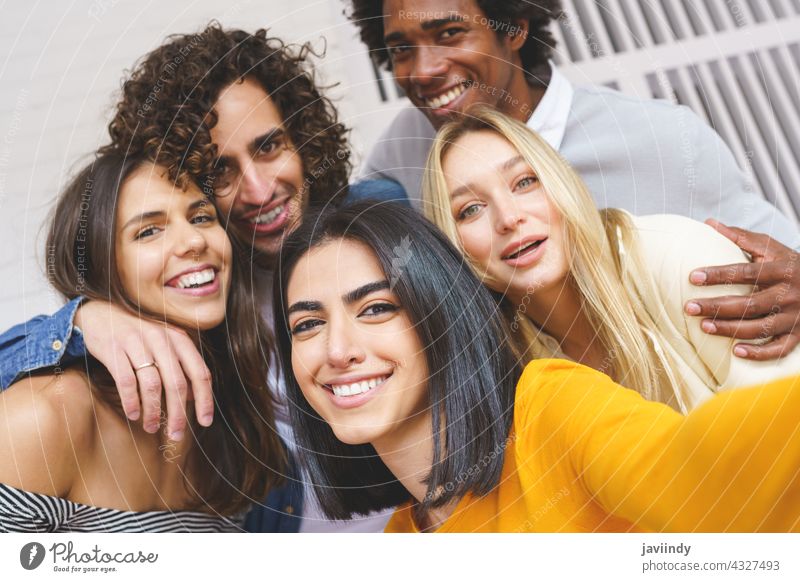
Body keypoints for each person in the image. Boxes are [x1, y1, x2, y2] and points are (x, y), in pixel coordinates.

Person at [0, 24, 400, 532]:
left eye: (270, 146)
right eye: (220, 172)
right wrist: (81, 319)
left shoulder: (384, 224)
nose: (258, 190)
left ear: (303, 139)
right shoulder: (201, 327)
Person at [273, 200, 800, 532]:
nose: (337, 350)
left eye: (376, 309)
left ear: (441, 318)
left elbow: (701, 476)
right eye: (307, 325)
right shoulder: (400, 540)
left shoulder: (550, 409)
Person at [346, 0, 800, 361]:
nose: (424, 70)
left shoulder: (659, 140)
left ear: (514, 28)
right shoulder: (397, 165)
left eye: (449, 33)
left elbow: (780, 261)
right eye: (402, 48)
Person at [422, 105, 800, 412]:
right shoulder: (501, 370)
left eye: (525, 182)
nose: (508, 218)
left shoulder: (681, 256)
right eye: (470, 209)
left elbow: (781, 431)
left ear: (562, 182)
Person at [0, 153, 285, 532]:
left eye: (201, 217)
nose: (194, 240)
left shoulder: (237, 419)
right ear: (102, 266)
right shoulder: (44, 416)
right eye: (148, 231)